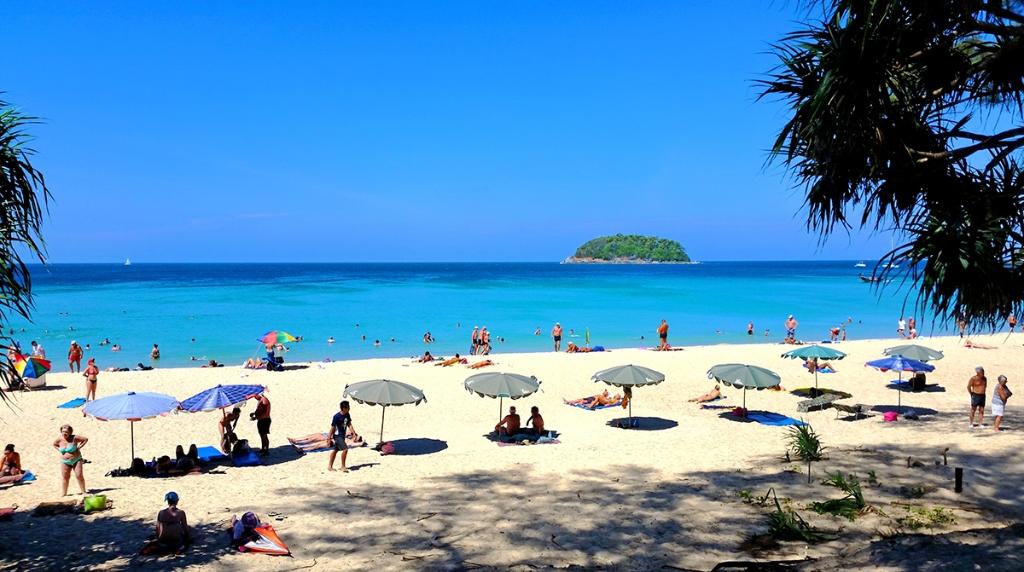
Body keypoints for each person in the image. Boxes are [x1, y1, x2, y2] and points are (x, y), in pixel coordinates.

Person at [54, 424, 87, 496]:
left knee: (79, 475)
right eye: (63, 432)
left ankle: (83, 491)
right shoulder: (59, 439)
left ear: (70, 432)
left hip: (76, 460)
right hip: (65, 461)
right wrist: (59, 449)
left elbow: (85, 439)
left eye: (66, 432)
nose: (64, 433)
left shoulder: (74, 438)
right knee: (65, 477)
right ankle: (64, 493)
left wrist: (79, 447)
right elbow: (54, 444)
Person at [328, 400, 359, 472]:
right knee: (345, 449)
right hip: (337, 436)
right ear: (344, 408)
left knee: (335, 450)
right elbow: (332, 428)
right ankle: (343, 466)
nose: (349, 408)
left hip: (342, 436)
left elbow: (349, 424)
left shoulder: (347, 414)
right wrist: (329, 438)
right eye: (348, 407)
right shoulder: (336, 416)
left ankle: (330, 466)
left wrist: (353, 432)